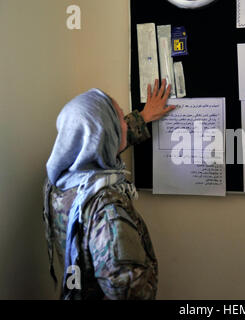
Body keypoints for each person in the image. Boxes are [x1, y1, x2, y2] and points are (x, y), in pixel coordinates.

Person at [43, 79, 175, 300]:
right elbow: (128, 290)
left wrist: (142, 117)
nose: (124, 122)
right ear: (107, 132)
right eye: (119, 118)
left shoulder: (59, 180)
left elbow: (98, 139)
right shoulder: (107, 208)